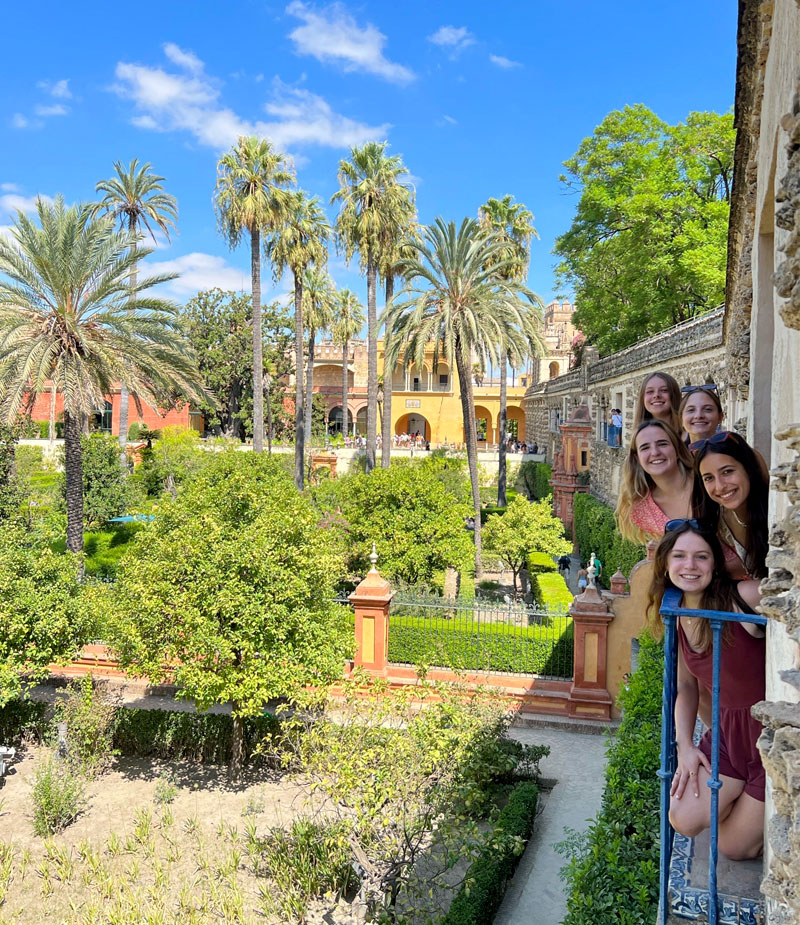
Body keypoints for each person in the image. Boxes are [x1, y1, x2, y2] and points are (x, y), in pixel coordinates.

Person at [647, 519, 765, 860]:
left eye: (701, 557)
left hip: (767, 738)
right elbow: (686, 685)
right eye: (680, 556)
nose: (689, 566)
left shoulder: (739, 601)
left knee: (731, 847)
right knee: (681, 819)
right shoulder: (680, 613)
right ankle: (745, 799)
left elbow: (787, 590)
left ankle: (754, 802)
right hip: (728, 734)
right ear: (666, 564)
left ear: (715, 565)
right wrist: (685, 746)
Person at [692, 431, 769, 580]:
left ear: (747, 468)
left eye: (727, 472)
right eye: (709, 478)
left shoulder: (776, 510)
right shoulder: (723, 518)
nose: (720, 486)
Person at [616, 420, 696, 543]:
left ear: (677, 449)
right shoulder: (643, 509)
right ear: (637, 458)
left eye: (662, 444)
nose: (655, 452)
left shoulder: (706, 483)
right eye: (645, 448)